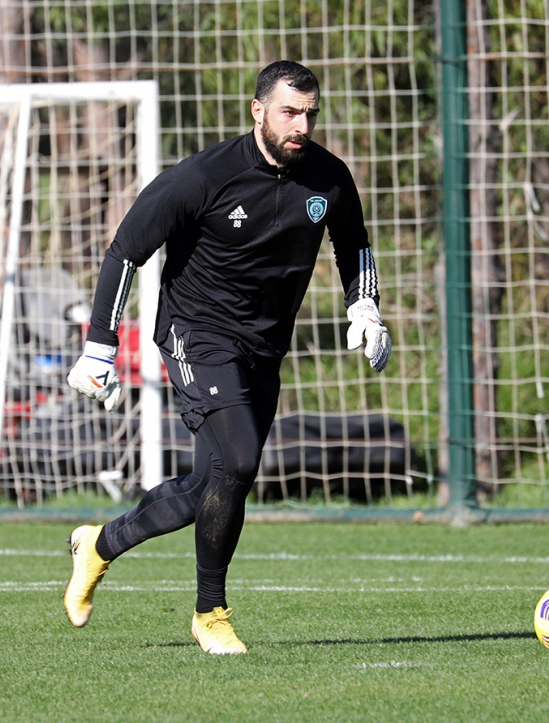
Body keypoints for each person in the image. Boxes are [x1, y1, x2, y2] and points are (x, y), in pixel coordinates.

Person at [62, 60, 392, 654]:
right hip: (195, 333)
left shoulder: (329, 178)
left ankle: (99, 545)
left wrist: (364, 307)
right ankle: (209, 613)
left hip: (264, 346)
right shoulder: (203, 176)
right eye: (289, 112)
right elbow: (126, 250)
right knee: (237, 462)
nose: (302, 126)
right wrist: (99, 348)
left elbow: (354, 243)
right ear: (258, 110)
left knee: (214, 483)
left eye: (310, 114)